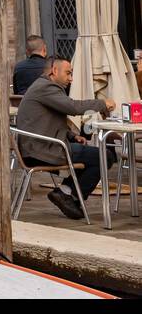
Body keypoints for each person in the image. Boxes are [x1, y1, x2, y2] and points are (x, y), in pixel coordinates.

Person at [14, 58, 115, 221]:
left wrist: (73, 136)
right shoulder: (47, 87)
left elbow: (48, 121)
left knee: (92, 156)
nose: (71, 78)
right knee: (104, 156)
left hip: (39, 146)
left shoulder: (42, 86)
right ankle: (67, 194)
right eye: (68, 73)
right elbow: (73, 107)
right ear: (54, 71)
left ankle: (66, 192)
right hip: (41, 150)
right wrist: (102, 103)